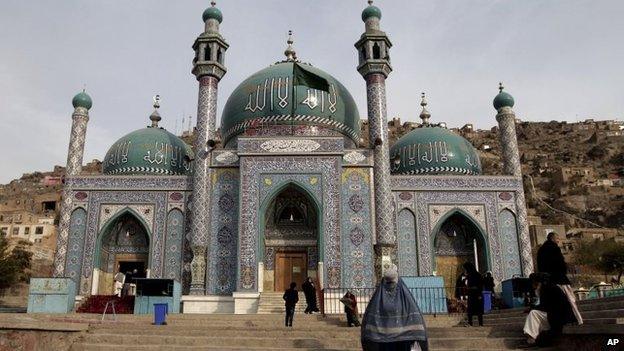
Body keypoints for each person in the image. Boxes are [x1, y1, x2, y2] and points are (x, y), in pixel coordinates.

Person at [361, 265, 429, 351]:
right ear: (399, 281)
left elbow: (368, 325)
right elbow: (416, 321)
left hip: (384, 340)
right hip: (403, 339)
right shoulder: (406, 299)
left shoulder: (377, 300)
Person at [536, 232, 583, 325]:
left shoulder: (541, 250)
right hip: (559, 279)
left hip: (547, 281)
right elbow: (560, 264)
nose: (558, 241)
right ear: (553, 239)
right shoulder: (555, 248)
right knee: (570, 299)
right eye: (558, 239)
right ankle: (575, 319)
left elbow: (540, 266)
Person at [523, 273, 576, 346]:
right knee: (533, 313)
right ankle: (533, 336)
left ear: (536, 282)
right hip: (554, 315)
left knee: (533, 313)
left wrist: (532, 308)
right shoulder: (547, 287)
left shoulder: (547, 288)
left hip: (558, 317)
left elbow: (546, 306)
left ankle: (531, 339)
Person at [463, 262, 484, 326]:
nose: (465, 270)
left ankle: (480, 324)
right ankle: (470, 323)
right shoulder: (469, 276)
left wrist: (479, 294)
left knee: (478, 310)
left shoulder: (477, 275)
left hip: (477, 295)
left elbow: (480, 286)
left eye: (466, 269)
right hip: (471, 295)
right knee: (470, 310)